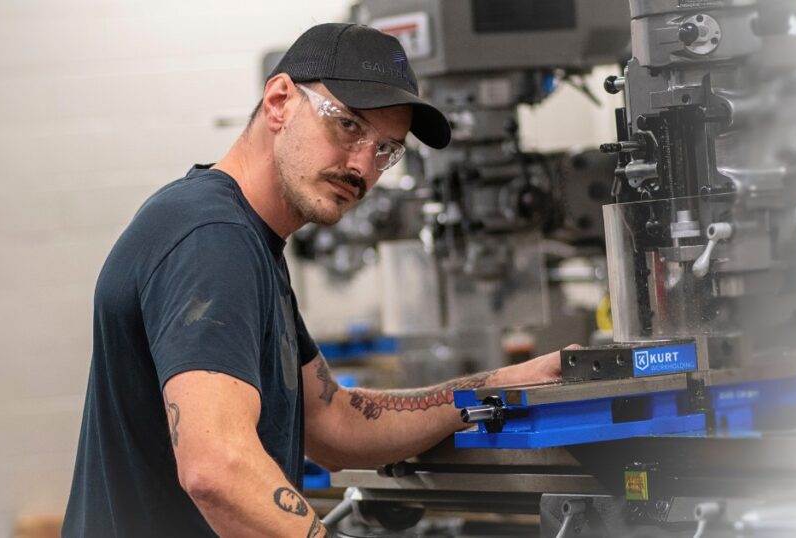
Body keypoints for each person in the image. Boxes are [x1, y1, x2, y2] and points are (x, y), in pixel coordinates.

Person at [62, 22, 565, 537]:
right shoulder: (212, 236)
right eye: (348, 126)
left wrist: (497, 386)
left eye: (386, 150)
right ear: (280, 101)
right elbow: (216, 467)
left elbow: (334, 423)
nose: (363, 167)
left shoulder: (249, 241)